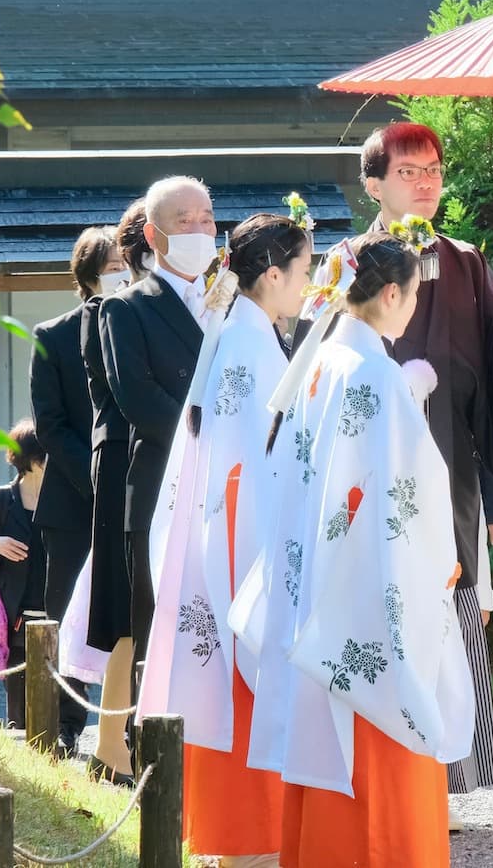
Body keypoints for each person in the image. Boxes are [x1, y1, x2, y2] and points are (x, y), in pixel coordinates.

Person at [335, 123, 493, 803]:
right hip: (371, 471)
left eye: (433, 169)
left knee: (449, 598)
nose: (426, 182)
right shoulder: (347, 262)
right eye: (408, 171)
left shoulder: (466, 262)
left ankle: (444, 781)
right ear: (373, 183)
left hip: (449, 470)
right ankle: (376, 777)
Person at [233, 231, 475, 867]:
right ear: (391, 294)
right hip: (367, 588)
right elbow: (402, 497)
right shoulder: (375, 374)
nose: (414, 307)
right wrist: (434, 567)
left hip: (316, 579)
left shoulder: (320, 363)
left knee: (325, 759)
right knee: (380, 747)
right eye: (414, 295)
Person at [139, 213, 310, 865]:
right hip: (244, 540)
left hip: (239, 529)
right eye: (303, 268)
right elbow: (247, 464)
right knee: (242, 699)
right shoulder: (247, 342)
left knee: (230, 702)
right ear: (272, 275)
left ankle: (244, 840)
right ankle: (246, 842)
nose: (309, 282)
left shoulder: (245, 331)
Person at [100, 177, 214, 709]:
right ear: (154, 234)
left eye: (207, 219)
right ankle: (153, 760)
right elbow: (138, 398)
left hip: (224, 490)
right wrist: (211, 437)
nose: (199, 230)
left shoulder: (234, 301)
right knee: (160, 627)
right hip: (162, 483)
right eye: (184, 222)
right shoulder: (126, 308)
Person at [29, 225, 125, 759]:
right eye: (111, 266)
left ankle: (128, 725)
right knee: (66, 614)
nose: (121, 274)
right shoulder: (52, 334)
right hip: (72, 504)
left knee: (129, 612)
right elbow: (50, 424)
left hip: (131, 497)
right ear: (87, 275)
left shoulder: (134, 322)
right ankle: (62, 725)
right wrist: (94, 476)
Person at [82, 199, 149, 785]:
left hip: (138, 471)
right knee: (127, 615)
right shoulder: (112, 310)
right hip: (126, 474)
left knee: (133, 616)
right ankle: (112, 745)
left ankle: (116, 743)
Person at [0, 419, 49, 730]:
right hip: (12, 616)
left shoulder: (65, 501)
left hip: (56, 611)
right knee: (19, 708)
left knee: (59, 698)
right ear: (31, 459)